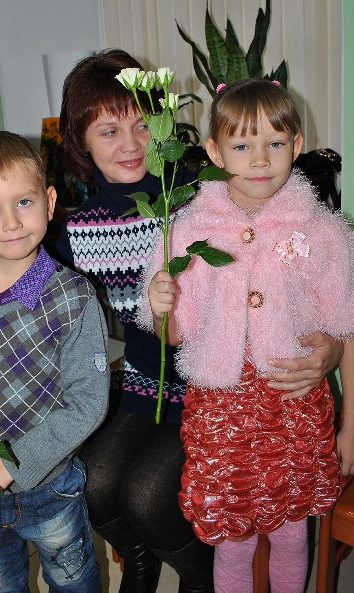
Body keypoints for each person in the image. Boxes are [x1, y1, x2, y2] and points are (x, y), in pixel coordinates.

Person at [55, 50, 344, 593]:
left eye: (144, 125)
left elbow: (320, 291)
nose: (131, 144)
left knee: (148, 495)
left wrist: (332, 347)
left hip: (218, 391)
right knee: (95, 485)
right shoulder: (80, 228)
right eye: (109, 131)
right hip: (151, 384)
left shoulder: (199, 188)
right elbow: (30, 278)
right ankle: (141, 564)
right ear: (81, 141)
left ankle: (195, 577)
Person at [142, 78, 354, 593]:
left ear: (297, 145)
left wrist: (351, 427)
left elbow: (346, 328)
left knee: (291, 534)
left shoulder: (324, 231)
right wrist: (160, 307)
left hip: (295, 408)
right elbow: (174, 337)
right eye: (242, 146)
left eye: (275, 143)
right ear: (215, 152)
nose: (260, 160)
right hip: (221, 413)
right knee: (232, 539)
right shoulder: (185, 232)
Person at [0, 130, 109, 592]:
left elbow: (87, 403)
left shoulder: (74, 299)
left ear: (49, 203)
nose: (11, 222)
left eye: (24, 202)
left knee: (72, 581)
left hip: (49, 490)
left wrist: (8, 467)